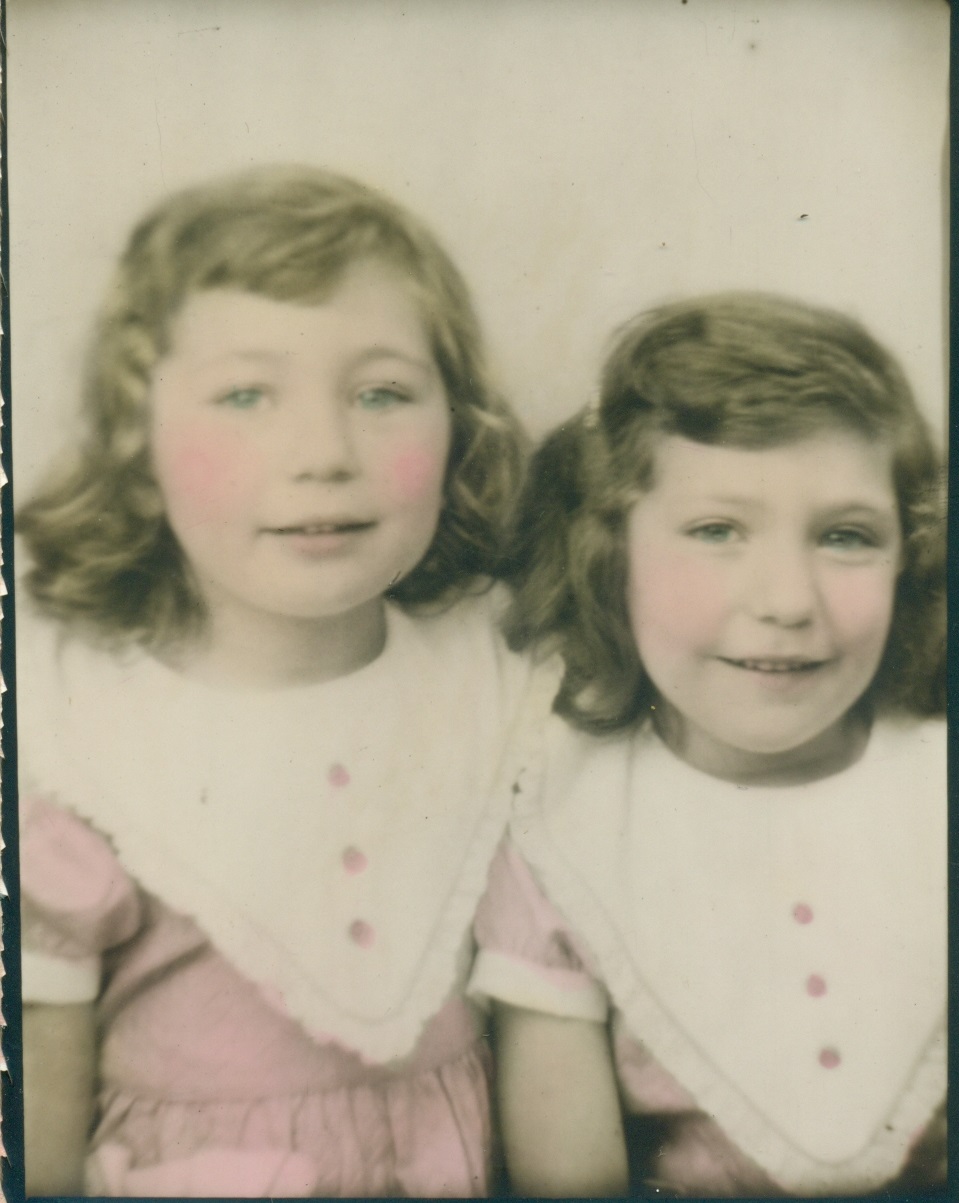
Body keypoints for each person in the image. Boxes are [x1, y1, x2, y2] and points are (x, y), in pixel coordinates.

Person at [17, 164, 538, 1197]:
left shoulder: (494, 679)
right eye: (246, 396)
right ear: (138, 440)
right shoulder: (80, 738)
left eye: (381, 393)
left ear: (456, 426)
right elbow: (33, 1131)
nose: (322, 453)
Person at [470, 293, 947, 1196]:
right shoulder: (562, 825)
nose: (786, 600)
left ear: (907, 556)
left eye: (845, 536)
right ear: (612, 554)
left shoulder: (932, 784)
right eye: (716, 531)